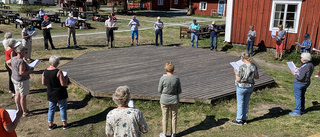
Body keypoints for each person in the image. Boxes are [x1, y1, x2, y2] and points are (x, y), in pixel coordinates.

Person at [42, 55, 72, 130]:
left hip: (50, 92)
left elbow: (43, 83)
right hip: (60, 93)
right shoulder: (58, 72)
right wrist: (66, 78)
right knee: (62, 108)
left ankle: (50, 124)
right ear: (57, 63)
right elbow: (63, 84)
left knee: (51, 108)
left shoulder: (45, 71)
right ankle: (64, 124)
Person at [232, 51, 259, 125]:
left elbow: (238, 79)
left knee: (240, 103)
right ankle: (244, 119)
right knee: (246, 103)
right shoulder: (254, 66)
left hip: (241, 87)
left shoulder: (242, 67)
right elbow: (257, 77)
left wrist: (235, 72)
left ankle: (239, 119)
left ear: (243, 58)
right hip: (250, 86)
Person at [7, 46, 34, 117]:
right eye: (25, 52)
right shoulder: (21, 61)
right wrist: (29, 70)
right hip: (22, 81)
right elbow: (22, 73)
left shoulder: (13, 58)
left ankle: (19, 109)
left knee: (17, 94)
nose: (26, 54)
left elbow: (7, 63)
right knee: (23, 96)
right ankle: (25, 112)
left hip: (15, 79)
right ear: (21, 53)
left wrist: (13, 69)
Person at [158, 62, 182, 137]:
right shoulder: (176, 79)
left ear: (166, 69)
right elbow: (179, 91)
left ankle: (164, 134)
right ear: (173, 70)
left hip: (164, 100)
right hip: (174, 100)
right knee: (174, 117)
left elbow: (159, 90)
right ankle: (173, 133)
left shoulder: (162, 78)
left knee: (165, 117)